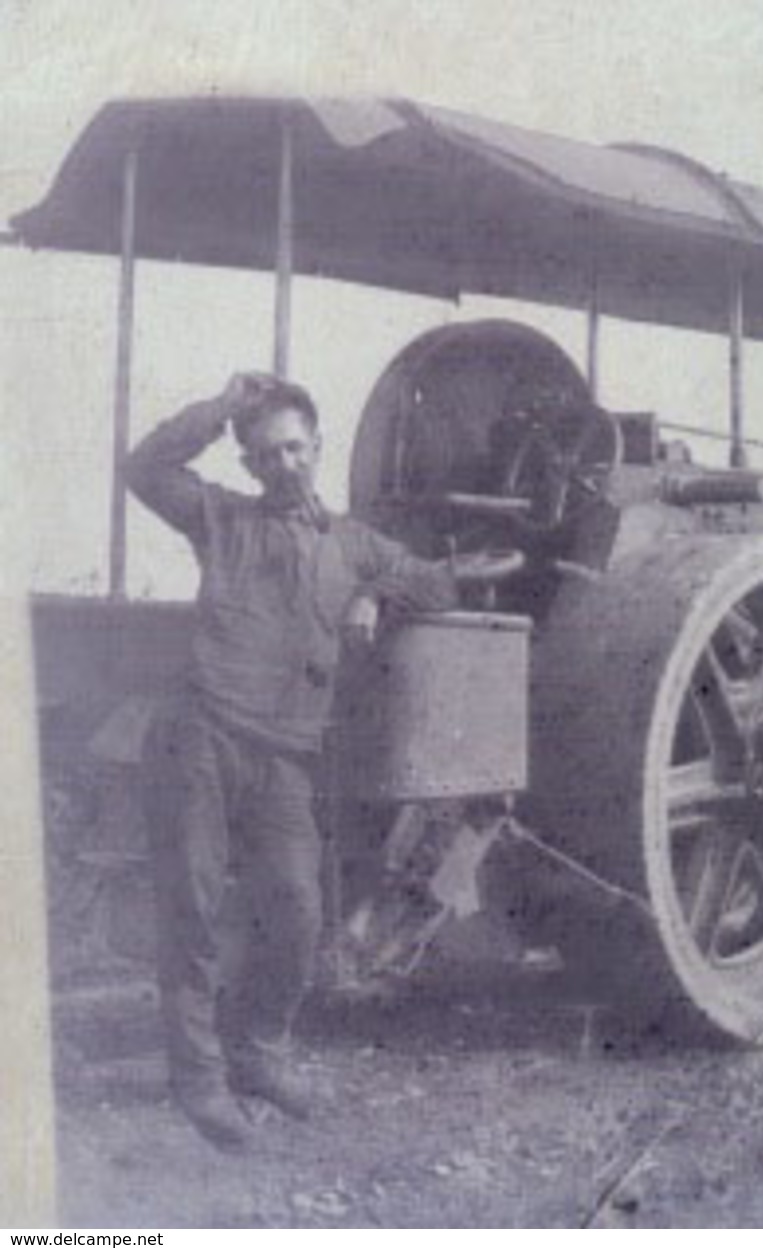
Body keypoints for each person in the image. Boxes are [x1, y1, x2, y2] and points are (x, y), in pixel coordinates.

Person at [126, 371, 521, 1149]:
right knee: (196, 914)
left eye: (295, 448)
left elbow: (436, 580)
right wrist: (223, 406)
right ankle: (199, 1083)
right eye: (266, 453)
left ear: (318, 447)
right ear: (248, 463)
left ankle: (258, 1054)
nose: (284, 464)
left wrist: (378, 594)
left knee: (298, 911)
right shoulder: (220, 518)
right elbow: (144, 469)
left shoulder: (355, 545)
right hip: (201, 737)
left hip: (284, 759)